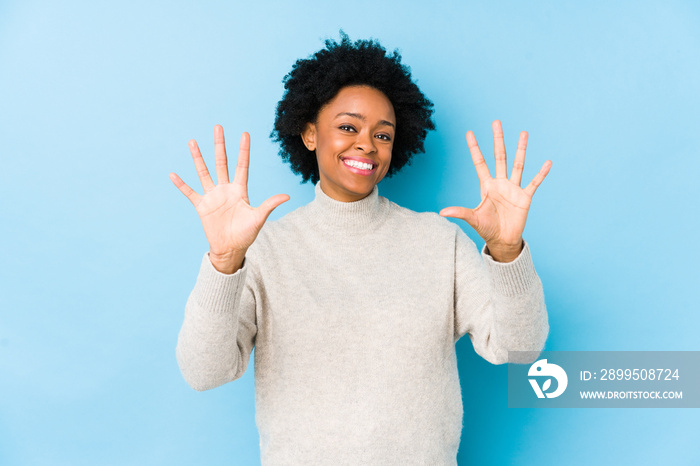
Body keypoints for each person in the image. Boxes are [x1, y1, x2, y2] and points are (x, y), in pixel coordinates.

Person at [170, 33, 552, 465]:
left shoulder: (438, 242)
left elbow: (521, 349)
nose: (367, 144)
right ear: (310, 134)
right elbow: (203, 371)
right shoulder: (263, 251)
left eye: (383, 134)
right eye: (348, 127)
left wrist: (507, 252)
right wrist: (223, 264)